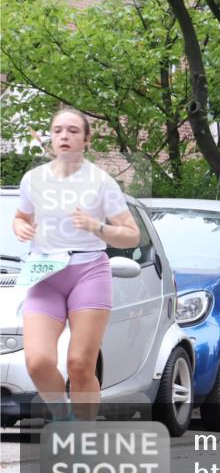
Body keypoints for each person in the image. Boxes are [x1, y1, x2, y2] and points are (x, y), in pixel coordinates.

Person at [12, 108, 140, 421]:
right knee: (38, 362)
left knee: (80, 364)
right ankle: (63, 417)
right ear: (51, 138)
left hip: (88, 272)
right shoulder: (34, 179)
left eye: (72, 131)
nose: (64, 136)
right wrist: (20, 227)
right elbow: (20, 217)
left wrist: (97, 227)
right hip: (45, 274)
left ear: (86, 138)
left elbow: (132, 236)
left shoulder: (101, 182)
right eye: (57, 131)